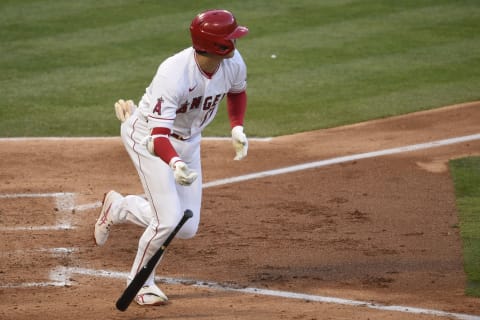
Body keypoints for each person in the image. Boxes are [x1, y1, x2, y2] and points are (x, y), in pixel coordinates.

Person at [93, 9, 249, 306]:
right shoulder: (174, 73)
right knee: (167, 222)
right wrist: (174, 163)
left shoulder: (232, 64)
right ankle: (140, 284)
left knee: (185, 227)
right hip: (148, 140)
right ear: (215, 44)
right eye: (230, 37)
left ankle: (119, 207)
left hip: (189, 143)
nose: (235, 42)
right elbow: (158, 137)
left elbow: (237, 92)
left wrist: (237, 126)